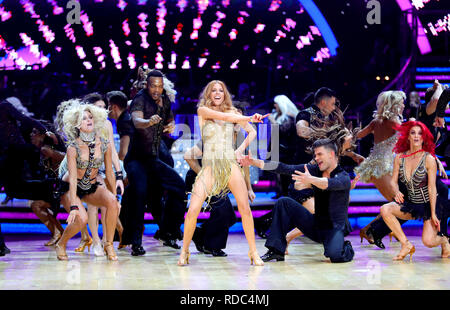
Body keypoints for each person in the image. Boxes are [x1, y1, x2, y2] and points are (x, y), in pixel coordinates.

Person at [177, 80, 267, 266]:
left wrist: (240, 149)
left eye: (221, 90)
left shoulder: (234, 113)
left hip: (230, 165)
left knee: (245, 210)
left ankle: (253, 252)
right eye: (213, 90)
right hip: (210, 167)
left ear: (225, 94)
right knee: (193, 209)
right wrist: (247, 118)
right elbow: (224, 118)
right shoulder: (203, 111)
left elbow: (252, 133)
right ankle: (184, 251)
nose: (217, 93)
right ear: (208, 94)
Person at [240, 138, 355, 263]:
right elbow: (284, 168)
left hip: (335, 228)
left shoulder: (343, 177)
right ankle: (276, 251)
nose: (316, 158)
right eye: (315, 155)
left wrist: (311, 180)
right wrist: (255, 162)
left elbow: (327, 184)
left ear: (331, 154)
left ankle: (346, 247)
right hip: (315, 225)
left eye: (319, 154)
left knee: (335, 256)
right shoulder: (313, 170)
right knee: (283, 202)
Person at [122, 69, 186, 256]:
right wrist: (148, 121)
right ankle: (136, 243)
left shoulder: (164, 99)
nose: (156, 89)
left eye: (159, 86)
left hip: (153, 159)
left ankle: (168, 231)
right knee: (139, 194)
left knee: (179, 187)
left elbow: (170, 117)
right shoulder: (140, 99)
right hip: (136, 160)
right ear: (147, 85)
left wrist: (171, 125)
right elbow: (136, 120)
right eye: (153, 86)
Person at [185, 101, 255, 257]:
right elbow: (188, 156)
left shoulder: (240, 139)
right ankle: (212, 246)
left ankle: (200, 235)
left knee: (229, 215)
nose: (236, 119)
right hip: (201, 175)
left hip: (222, 177)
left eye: (239, 116)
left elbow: (245, 166)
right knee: (224, 212)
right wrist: (204, 175)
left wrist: (249, 188)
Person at [55, 103, 119, 260]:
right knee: (81, 219)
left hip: (91, 185)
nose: (89, 120)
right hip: (71, 187)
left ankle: (109, 244)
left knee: (112, 203)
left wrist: (115, 195)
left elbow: (109, 172)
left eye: (90, 117)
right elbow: (72, 178)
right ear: (77, 124)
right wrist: (74, 206)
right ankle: (61, 244)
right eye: (84, 119)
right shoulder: (73, 148)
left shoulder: (104, 144)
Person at [379, 121, 450, 260]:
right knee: (385, 209)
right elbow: (393, 181)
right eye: (413, 133)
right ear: (408, 136)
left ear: (424, 138)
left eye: (420, 133)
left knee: (428, 241)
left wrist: (434, 213)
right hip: (412, 203)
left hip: (429, 205)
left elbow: (432, 187)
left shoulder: (429, 159)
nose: (416, 136)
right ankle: (406, 245)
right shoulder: (399, 157)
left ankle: (444, 240)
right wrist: (396, 192)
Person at [268, 95, 299, 198]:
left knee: (285, 174)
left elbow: (284, 131)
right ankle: (280, 191)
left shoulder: (290, 116)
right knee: (277, 172)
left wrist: (273, 121)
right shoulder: (277, 115)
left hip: (286, 151)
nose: (274, 105)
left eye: (276, 103)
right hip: (277, 149)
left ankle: (287, 193)